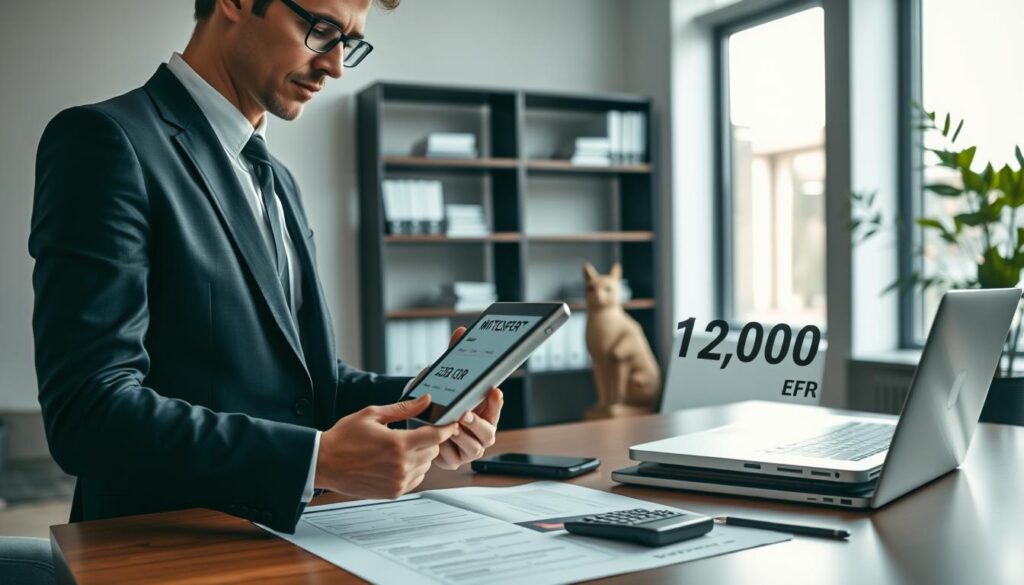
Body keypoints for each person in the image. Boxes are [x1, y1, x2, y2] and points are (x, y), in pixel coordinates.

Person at [29, 0, 502, 534]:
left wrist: (425, 405)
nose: (335, 66)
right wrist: (315, 460)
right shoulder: (105, 141)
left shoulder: (277, 178)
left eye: (349, 42)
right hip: (161, 549)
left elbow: (305, 386)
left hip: (288, 539)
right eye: (321, 29)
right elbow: (88, 413)